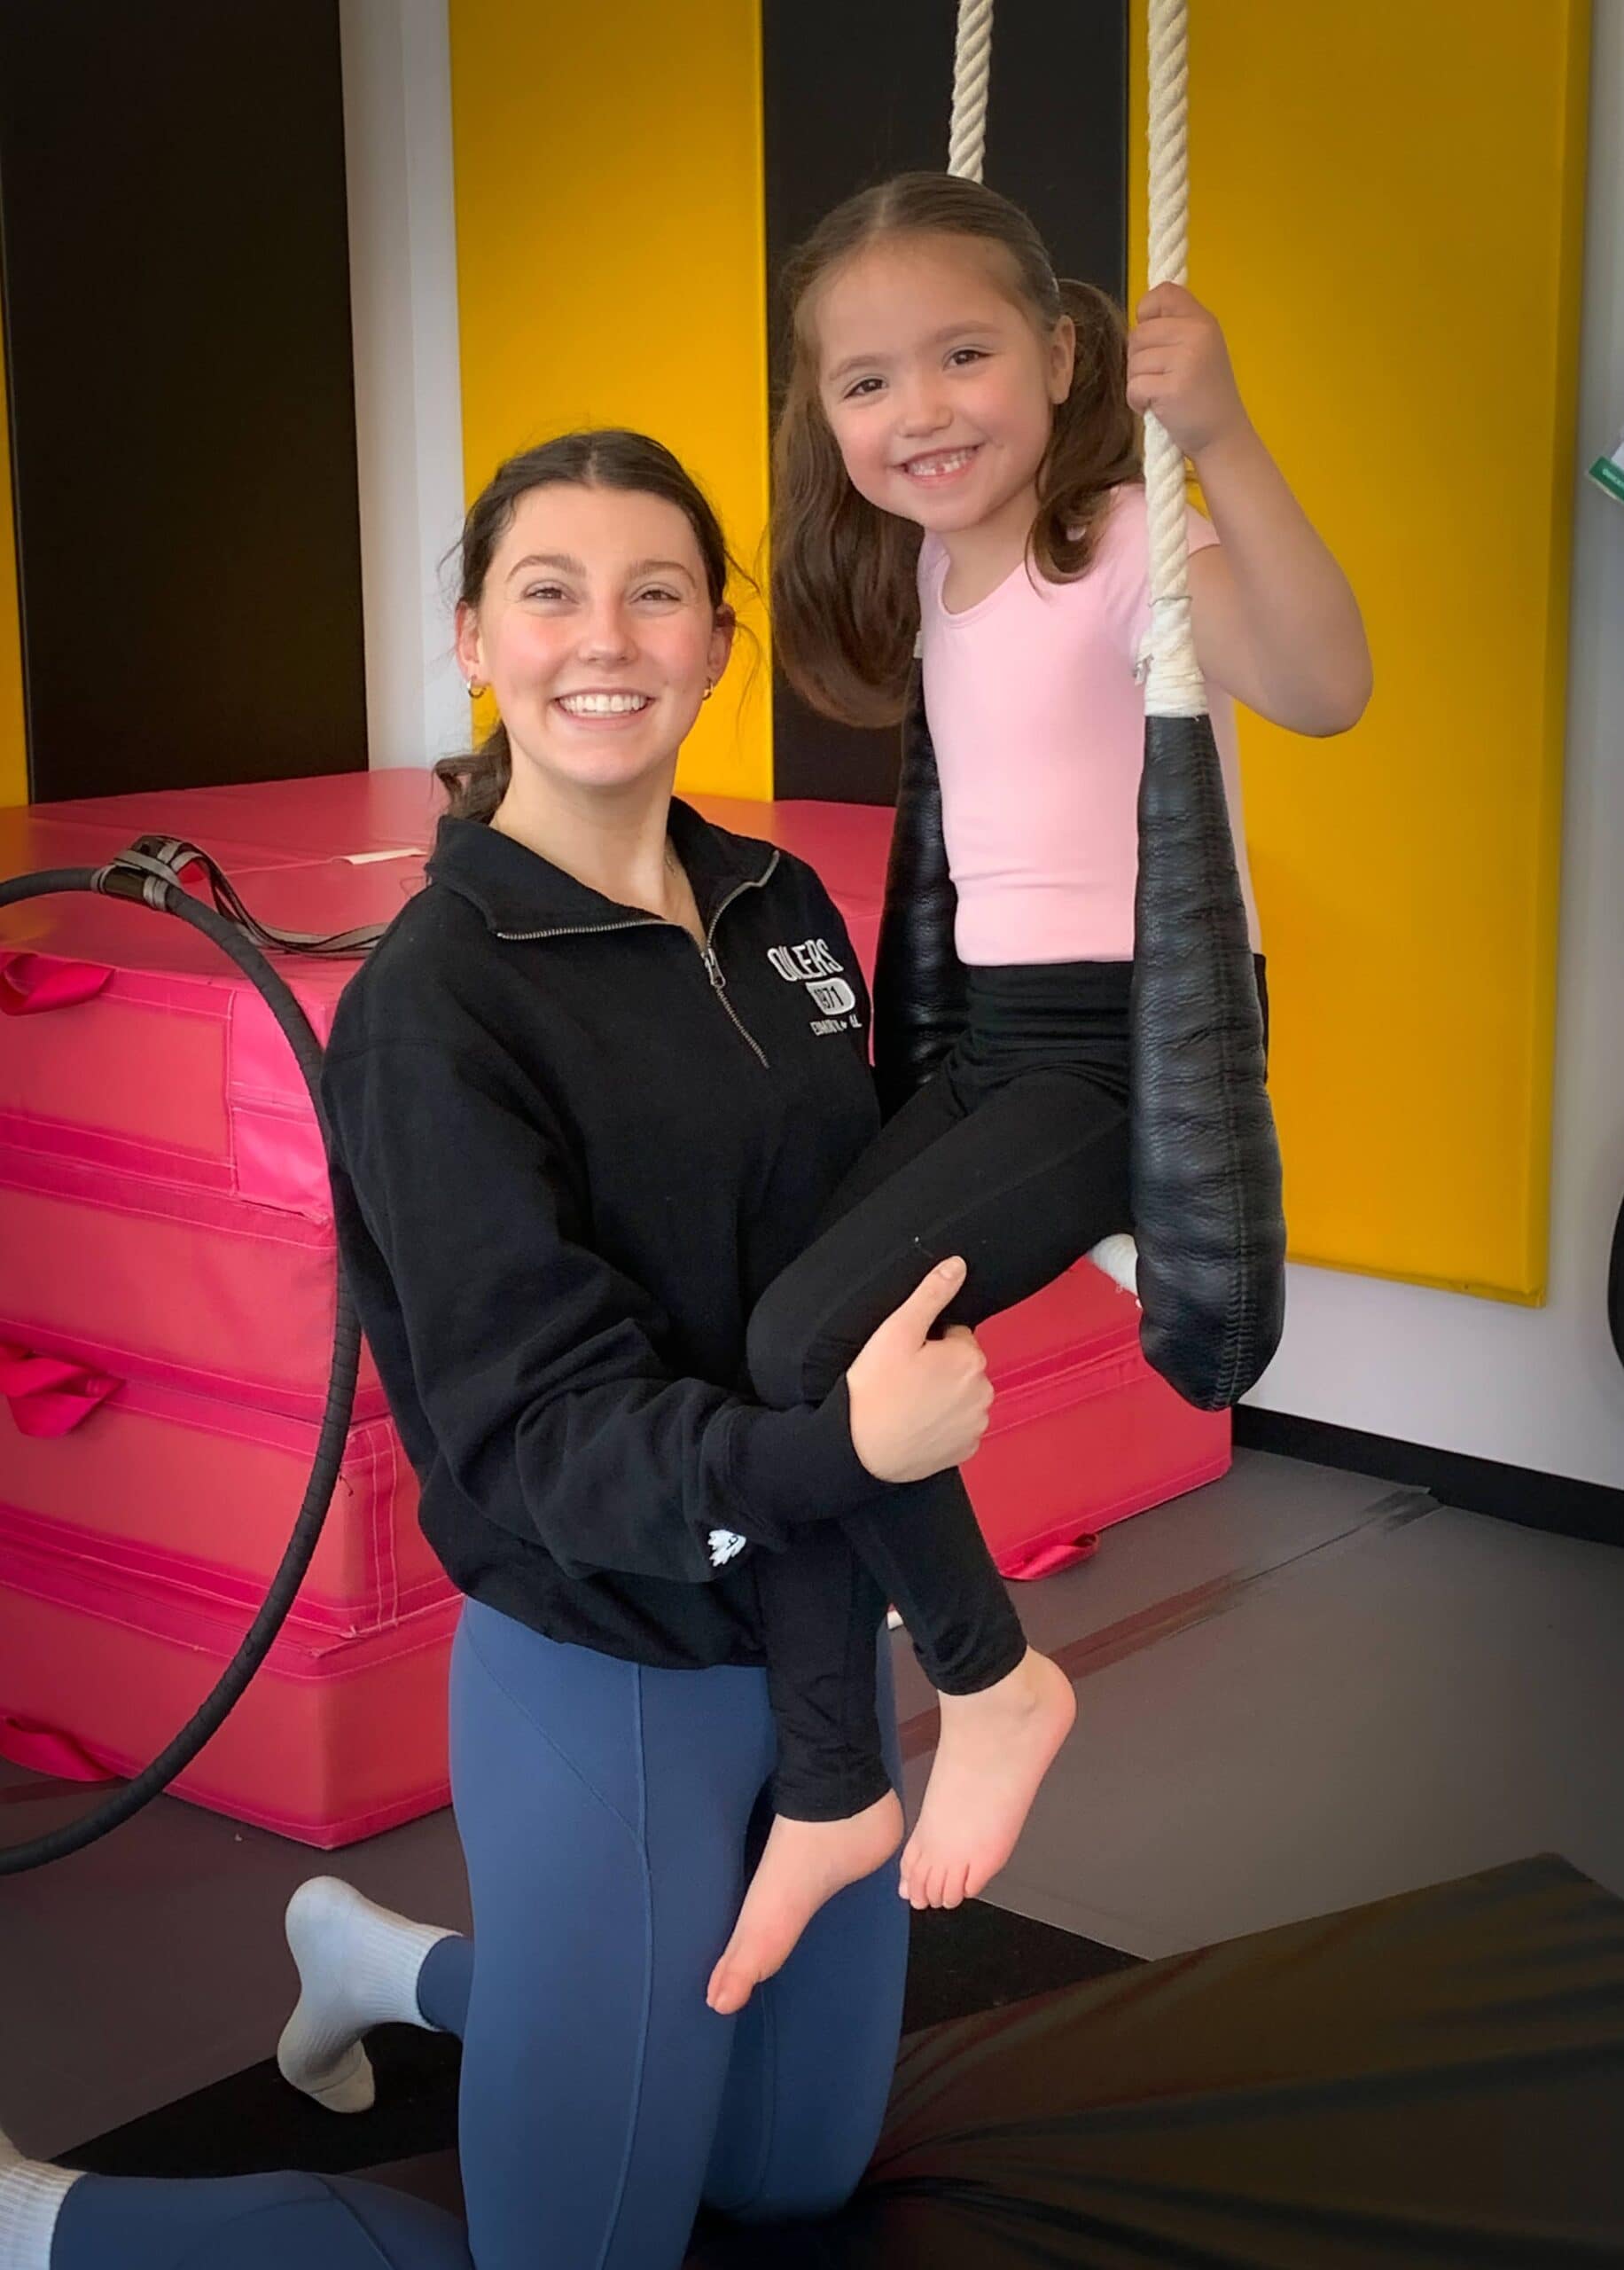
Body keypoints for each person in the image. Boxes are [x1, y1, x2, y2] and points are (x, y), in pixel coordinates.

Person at [0, 427, 999, 2270]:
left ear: (713, 638)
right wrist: (848, 1460)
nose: (600, 635)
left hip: (818, 1641)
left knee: (789, 2182)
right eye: (550, 591)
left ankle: (382, 1959)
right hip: (608, 1665)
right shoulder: (436, 1004)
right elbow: (544, 1434)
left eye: (653, 591)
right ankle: (52, 2217)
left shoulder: (781, 908)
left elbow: (845, 1249)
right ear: (477, 633)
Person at [707, 171, 1371, 2015]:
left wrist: (1218, 437)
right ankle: (836, 1778)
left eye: (964, 353)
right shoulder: (934, 557)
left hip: (1119, 1042)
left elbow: (1323, 681)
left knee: (813, 1341)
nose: (917, 409)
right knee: (780, 1338)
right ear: (819, 410)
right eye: (865, 382)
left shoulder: (1114, 533)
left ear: (1064, 353)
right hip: (995, 1034)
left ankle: (996, 1679)